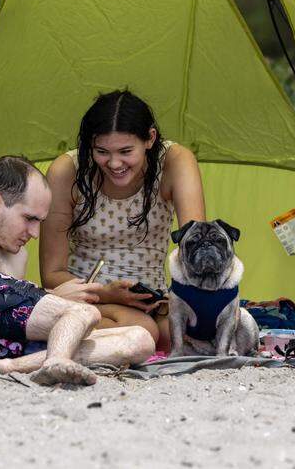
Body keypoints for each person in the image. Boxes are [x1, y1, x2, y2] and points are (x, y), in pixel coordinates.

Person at [0, 154, 155, 385]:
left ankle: (8, 368)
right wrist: (54, 298)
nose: (34, 233)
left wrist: (53, 301)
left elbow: (10, 315)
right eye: (29, 218)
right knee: (84, 313)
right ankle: (56, 360)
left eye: (39, 222)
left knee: (140, 339)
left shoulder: (17, 255)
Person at [40, 90, 207, 349]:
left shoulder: (175, 161)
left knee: (185, 335)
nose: (114, 163)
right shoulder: (67, 171)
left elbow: (195, 247)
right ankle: (56, 334)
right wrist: (105, 293)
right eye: (101, 151)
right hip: (88, 298)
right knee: (144, 331)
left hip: (151, 298)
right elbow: (51, 274)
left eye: (126, 151)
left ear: (150, 139)